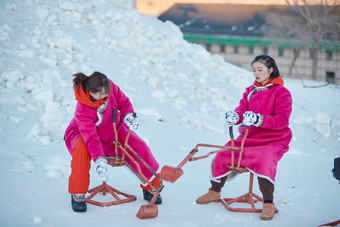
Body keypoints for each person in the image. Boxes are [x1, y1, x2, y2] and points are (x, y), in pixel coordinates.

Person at [196, 55, 292, 221]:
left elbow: (282, 120)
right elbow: (242, 109)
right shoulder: (250, 91)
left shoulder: (281, 92)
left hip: (274, 140)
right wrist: (236, 116)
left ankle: (268, 203)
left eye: (260, 69)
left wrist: (258, 119)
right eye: (254, 69)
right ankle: (214, 192)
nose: (255, 73)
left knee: (264, 160)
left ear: (270, 70)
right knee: (223, 154)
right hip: (249, 137)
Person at [64, 71, 162, 212]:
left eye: (107, 92)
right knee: (81, 151)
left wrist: (129, 114)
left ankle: (151, 185)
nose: (107, 96)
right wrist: (99, 159)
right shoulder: (82, 110)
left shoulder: (107, 86)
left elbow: (123, 101)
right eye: (103, 95)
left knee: (137, 145)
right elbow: (91, 138)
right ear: (91, 92)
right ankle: (78, 193)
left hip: (112, 127)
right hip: (82, 132)